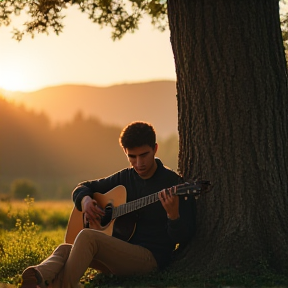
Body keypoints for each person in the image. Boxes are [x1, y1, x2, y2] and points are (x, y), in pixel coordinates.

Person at [20, 121, 196, 288]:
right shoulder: (126, 177)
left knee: (88, 237)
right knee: (65, 249)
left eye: (144, 155)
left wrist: (173, 216)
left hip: (149, 259)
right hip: (117, 256)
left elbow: (183, 238)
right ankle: (38, 276)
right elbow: (83, 187)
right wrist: (85, 200)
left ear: (155, 149)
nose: (139, 163)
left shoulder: (173, 185)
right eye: (132, 157)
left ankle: (61, 285)